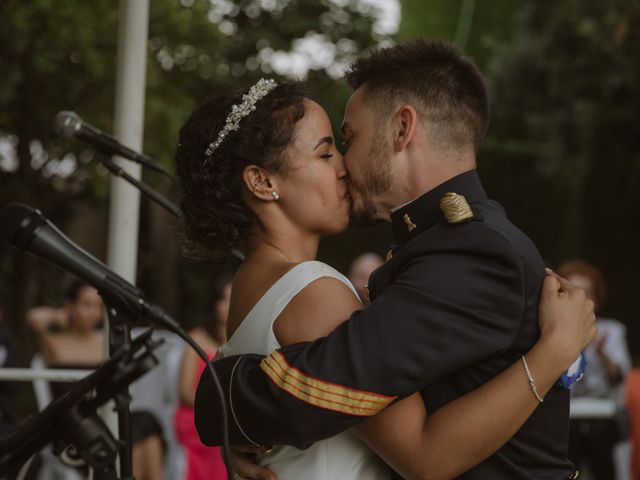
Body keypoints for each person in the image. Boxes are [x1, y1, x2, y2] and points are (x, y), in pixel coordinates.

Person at [175, 69, 594, 479]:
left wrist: (223, 406)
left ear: (402, 129)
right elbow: (421, 453)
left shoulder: (472, 251)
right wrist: (552, 352)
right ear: (263, 183)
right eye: (326, 153)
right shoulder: (313, 289)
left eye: (345, 141)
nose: (342, 164)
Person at [27, 280, 166, 480]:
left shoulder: (104, 341)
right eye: (87, 304)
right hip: (73, 425)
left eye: (98, 306)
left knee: (145, 422)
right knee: (136, 434)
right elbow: (34, 317)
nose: (94, 312)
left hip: (105, 415)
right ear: (70, 305)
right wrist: (67, 315)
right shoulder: (54, 341)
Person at [557, 260, 632, 480]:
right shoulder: (553, 335)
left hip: (604, 415)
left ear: (597, 298)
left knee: (598, 434)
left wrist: (602, 355)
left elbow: (619, 378)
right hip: (567, 417)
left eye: (587, 292)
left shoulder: (612, 331)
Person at [175, 272, 232, 480]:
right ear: (215, 303)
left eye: (235, 299)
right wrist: (222, 407)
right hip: (196, 417)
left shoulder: (242, 342)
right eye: (224, 299)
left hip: (228, 422)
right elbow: (184, 391)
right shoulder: (197, 338)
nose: (229, 306)